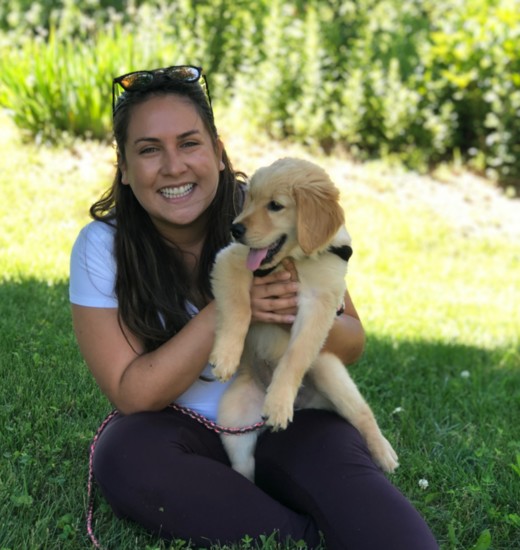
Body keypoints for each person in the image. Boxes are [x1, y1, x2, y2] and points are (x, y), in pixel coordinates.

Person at [69, 65, 438, 549]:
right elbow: (133, 395)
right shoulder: (103, 246)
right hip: (175, 430)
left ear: (218, 152)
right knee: (123, 454)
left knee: (399, 540)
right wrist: (232, 306)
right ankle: (296, 537)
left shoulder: (270, 211)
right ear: (124, 166)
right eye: (149, 150)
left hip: (287, 411)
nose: (174, 166)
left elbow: (351, 342)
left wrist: (293, 308)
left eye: (189, 143)